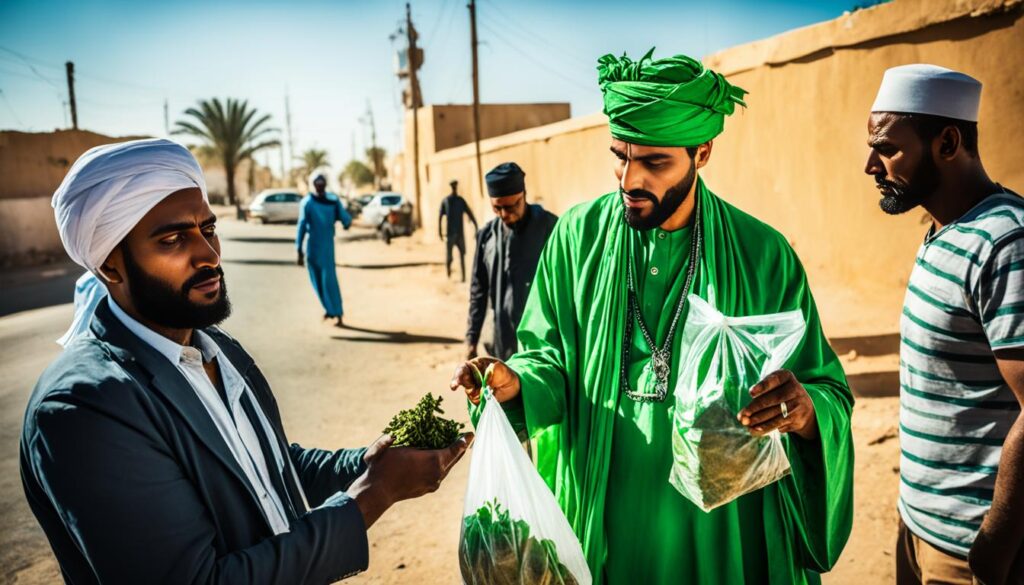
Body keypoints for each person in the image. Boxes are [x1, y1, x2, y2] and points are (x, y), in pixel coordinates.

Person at [451, 49, 854, 584]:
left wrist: (804, 411)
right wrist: (516, 382)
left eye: (654, 163)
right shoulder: (577, 238)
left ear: (702, 152)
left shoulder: (765, 255)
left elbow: (825, 387)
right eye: (620, 155)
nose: (628, 178)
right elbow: (549, 355)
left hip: (723, 536)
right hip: (605, 522)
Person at [22, 139, 472, 584]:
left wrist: (369, 463)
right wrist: (375, 495)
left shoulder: (213, 347)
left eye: (208, 229)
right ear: (110, 266)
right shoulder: (84, 408)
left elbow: (269, 468)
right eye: (174, 239)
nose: (209, 255)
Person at [864, 64, 1024, 585]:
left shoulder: (1006, 242)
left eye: (887, 148)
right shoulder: (943, 232)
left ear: (948, 142)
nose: (871, 164)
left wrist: (993, 549)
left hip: (971, 551)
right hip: (917, 531)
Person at [465, 162, 558, 361]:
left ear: (524, 194)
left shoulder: (551, 229)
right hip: (502, 344)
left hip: (543, 346)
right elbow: (478, 291)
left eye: (511, 206)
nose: (504, 214)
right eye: (497, 208)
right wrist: (471, 341)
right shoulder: (486, 237)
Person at [297, 173, 352, 327]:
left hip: (313, 247)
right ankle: (334, 311)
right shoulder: (333, 201)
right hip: (326, 248)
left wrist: (298, 250)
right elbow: (346, 219)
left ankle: (333, 310)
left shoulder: (307, 202)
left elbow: (301, 226)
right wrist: (347, 222)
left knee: (319, 281)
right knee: (329, 280)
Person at [439, 179, 478, 282]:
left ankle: (463, 277)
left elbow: (470, 213)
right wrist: (439, 231)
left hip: (460, 233)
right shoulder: (446, 201)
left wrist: (476, 226)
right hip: (450, 233)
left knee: (462, 255)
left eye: (455, 187)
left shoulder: (461, 201)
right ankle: (448, 272)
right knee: (449, 256)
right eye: (453, 187)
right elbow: (440, 216)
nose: (454, 189)